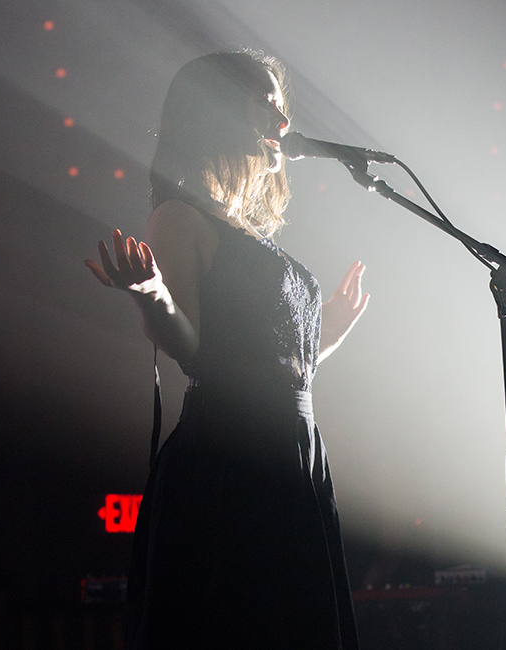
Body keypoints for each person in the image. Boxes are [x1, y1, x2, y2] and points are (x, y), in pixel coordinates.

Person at [85, 51, 368, 649]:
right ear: (215, 109)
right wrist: (151, 293)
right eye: (265, 101)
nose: (282, 118)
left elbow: (266, 366)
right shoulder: (179, 216)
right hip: (229, 463)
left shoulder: (245, 231)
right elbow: (195, 354)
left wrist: (326, 336)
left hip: (291, 457)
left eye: (281, 104)